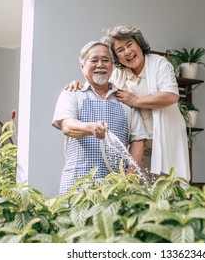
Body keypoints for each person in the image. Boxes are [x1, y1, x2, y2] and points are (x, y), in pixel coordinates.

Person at [64, 25, 190, 183]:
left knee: (168, 189)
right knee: (140, 194)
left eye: (130, 44)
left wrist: (136, 101)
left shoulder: (159, 64)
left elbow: (171, 96)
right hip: (138, 144)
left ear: (139, 44)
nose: (127, 52)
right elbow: (100, 83)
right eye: (120, 50)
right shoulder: (119, 73)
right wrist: (79, 83)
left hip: (164, 140)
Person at [53, 41, 148, 195]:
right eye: (94, 60)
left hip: (116, 188)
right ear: (82, 66)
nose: (100, 65)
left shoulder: (125, 99)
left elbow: (138, 140)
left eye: (105, 60)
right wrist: (91, 128)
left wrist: (128, 178)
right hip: (77, 185)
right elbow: (67, 126)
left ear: (112, 66)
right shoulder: (71, 94)